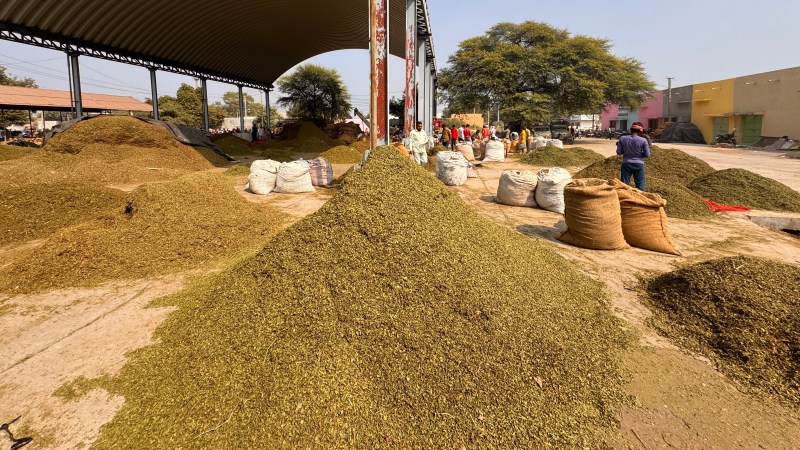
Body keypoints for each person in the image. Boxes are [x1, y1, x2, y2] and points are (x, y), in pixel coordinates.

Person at [616, 122, 650, 190]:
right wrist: (640, 154)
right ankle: (640, 199)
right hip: (638, 164)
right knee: (640, 185)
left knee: (624, 185)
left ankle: (624, 198)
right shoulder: (643, 140)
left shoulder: (622, 138)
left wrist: (625, 151)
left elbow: (619, 152)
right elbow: (647, 155)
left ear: (631, 130)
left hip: (626, 164)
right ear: (640, 131)